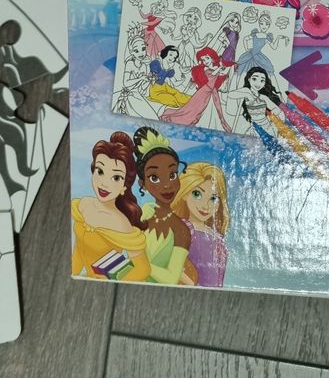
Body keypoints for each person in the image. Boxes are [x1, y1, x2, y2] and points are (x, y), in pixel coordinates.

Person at [71, 132, 150, 281]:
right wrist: (73, 274)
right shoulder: (84, 204)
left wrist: (112, 282)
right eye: (100, 171)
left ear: (125, 185)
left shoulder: (121, 223)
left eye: (116, 177)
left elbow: (143, 268)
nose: (104, 183)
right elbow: (78, 250)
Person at [132, 127, 194, 285]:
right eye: (154, 178)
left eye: (172, 175)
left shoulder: (181, 229)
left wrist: (140, 263)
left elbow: (172, 278)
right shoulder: (143, 213)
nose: (167, 185)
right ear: (143, 184)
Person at [172, 162, 230, 288]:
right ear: (185, 194)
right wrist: (193, 286)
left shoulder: (216, 235)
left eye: (213, 198)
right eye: (197, 194)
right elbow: (171, 266)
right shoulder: (183, 228)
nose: (205, 205)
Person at [161, 47, 232, 133]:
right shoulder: (206, 69)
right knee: (193, 110)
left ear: (212, 58)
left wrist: (225, 67)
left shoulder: (217, 69)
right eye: (203, 60)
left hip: (211, 93)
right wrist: (220, 68)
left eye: (207, 58)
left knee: (207, 111)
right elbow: (213, 74)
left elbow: (223, 74)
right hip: (203, 92)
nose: (205, 61)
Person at [226, 67, 284, 137]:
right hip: (255, 128)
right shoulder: (246, 90)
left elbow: (277, 110)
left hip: (267, 126)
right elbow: (230, 94)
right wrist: (247, 95)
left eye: (262, 81)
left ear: (264, 83)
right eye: (254, 79)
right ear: (249, 79)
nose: (258, 83)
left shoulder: (263, 97)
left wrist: (270, 118)